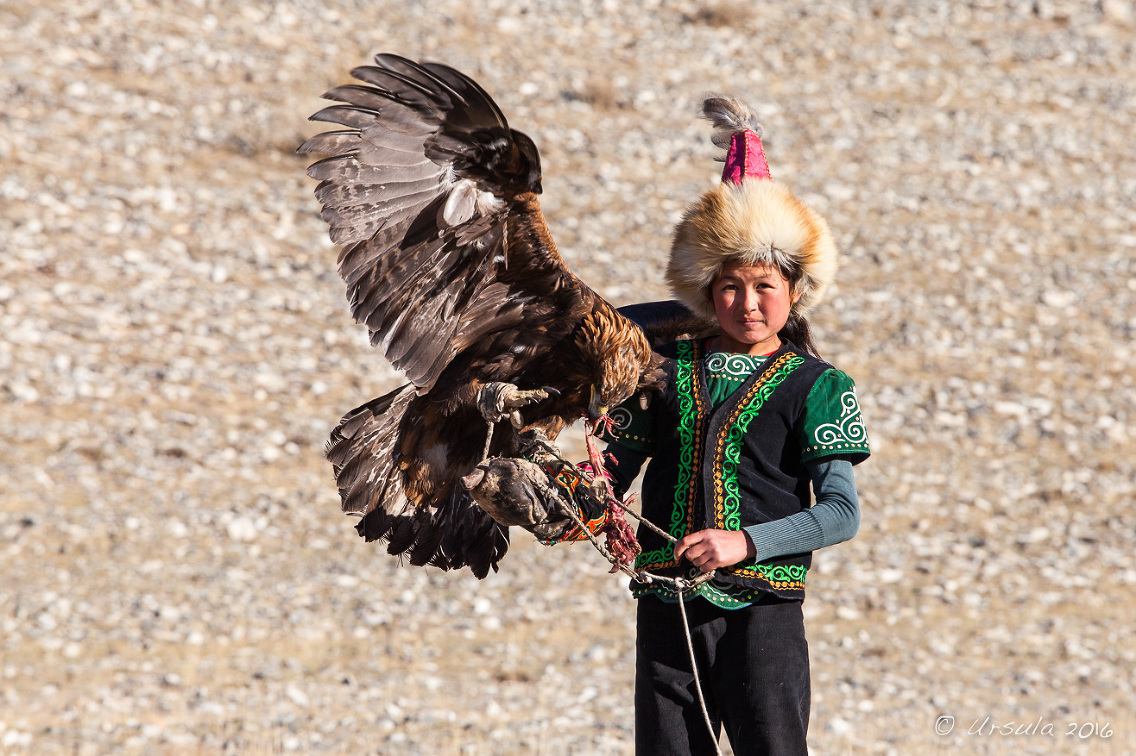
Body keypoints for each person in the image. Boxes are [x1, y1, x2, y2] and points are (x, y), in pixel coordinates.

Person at [597, 98, 871, 756]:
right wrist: (582, 493)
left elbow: (840, 513)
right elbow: (609, 471)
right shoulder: (656, 371)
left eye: (765, 286)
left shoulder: (819, 386)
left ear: (796, 290)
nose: (747, 303)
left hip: (763, 613)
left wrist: (741, 543)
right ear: (705, 290)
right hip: (667, 609)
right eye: (730, 287)